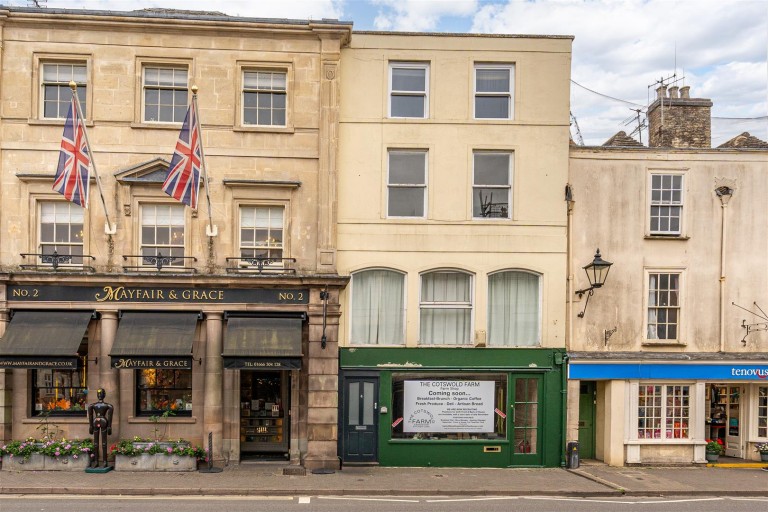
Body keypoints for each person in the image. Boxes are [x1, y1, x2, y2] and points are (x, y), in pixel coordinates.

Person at [87, 388, 113, 468]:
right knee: (96, 443)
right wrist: (90, 426)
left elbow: (110, 416)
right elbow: (90, 415)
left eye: (101, 394)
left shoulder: (107, 406)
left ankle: (104, 461)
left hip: (99, 422)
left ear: (104, 395)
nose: (99, 395)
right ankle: (97, 461)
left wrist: (109, 426)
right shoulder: (94, 405)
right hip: (101, 421)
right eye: (99, 394)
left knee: (102, 442)